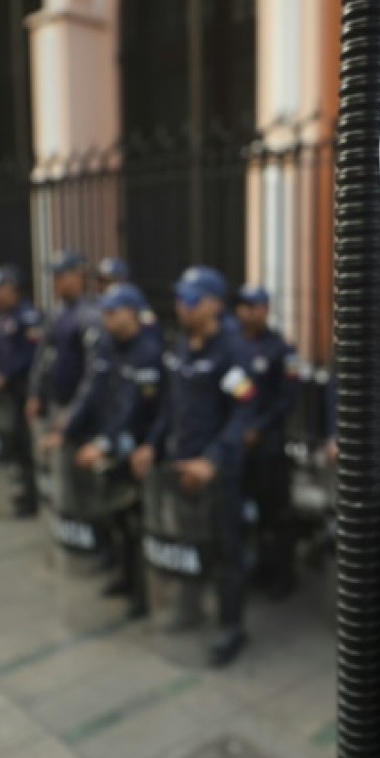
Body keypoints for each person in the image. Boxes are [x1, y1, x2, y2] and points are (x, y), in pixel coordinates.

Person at [132, 265, 257, 667]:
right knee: (184, 542)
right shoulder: (181, 345)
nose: (181, 308)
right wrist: (151, 445)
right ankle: (186, 608)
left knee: (226, 552)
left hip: (217, 471)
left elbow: (245, 412)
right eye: (179, 300)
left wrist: (213, 460)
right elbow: (170, 405)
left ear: (214, 304)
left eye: (190, 300)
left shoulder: (233, 350)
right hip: (178, 466)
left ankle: (231, 627)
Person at [51, 283, 167, 609]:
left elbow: (132, 409)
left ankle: (143, 593)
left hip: (139, 451)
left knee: (138, 521)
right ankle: (124, 576)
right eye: (103, 312)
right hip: (115, 445)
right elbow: (95, 391)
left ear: (131, 313)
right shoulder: (112, 346)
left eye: (112, 313)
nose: (105, 319)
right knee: (117, 519)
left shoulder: (148, 351)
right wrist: (70, 428)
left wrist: (104, 443)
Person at [233, 284, 302, 598]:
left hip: (269, 445)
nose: (250, 311)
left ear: (266, 309)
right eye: (245, 305)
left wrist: (259, 427)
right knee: (248, 514)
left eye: (256, 306)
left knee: (276, 513)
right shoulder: (233, 346)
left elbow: (287, 399)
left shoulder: (281, 349)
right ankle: (259, 569)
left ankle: (283, 576)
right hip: (238, 442)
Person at [0, 265, 43, 516]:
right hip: (12, 389)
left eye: (0, 289)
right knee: (16, 440)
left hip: (27, 388)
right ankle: (23, 489)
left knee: (27, 442)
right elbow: (4, 354)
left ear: (13, 288)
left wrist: (3, 377)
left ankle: (32, 498)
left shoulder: (28, 316)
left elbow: (30, 356)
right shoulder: (3, 316)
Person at [26, 250, 95, 428]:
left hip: (79, 404)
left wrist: (77, 409)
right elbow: (42, 354)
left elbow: (93, 370)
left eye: (61, 275)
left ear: (79, 276)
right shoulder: (57, 312)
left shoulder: (89, 314)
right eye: (54, 276)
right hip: (54, 400)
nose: (55, 282)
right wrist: (35, 392)